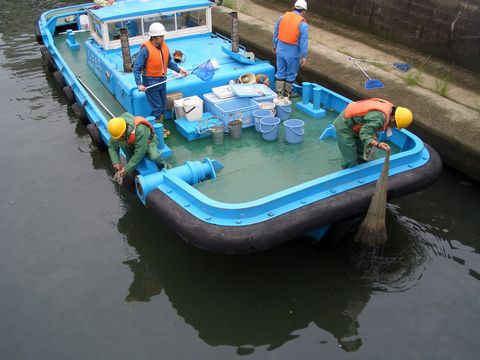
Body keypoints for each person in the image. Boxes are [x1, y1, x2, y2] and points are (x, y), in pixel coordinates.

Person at [333, 98, 413, 169]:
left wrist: (372, 135)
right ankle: (348, 177)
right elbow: (364, 133)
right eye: (395, 125)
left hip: (358, 123)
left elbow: (368, 124)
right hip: (345, 125)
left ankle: (361, 167)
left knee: (362, 152)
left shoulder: (391, 109)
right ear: (392, 118)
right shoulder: (378, 119)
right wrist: (378, 144)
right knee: (351, 160)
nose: (393, 127)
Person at [133, 22, 188, 124]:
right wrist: (139, 84)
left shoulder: (164, 46)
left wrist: (179, 70)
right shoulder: (145, 50)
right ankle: (152, 128)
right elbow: (136, 67)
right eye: (161, 36)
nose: (163, 38)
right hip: (151, 82)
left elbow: (168, 62)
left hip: (162, 80)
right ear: (154, 38)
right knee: (157, 108)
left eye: (163, 36)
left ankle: (160, 127)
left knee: (162, 106)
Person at [272, 0, 308, 98]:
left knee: (280, 71)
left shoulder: (282, 18)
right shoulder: (303, 25)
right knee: (291, 73)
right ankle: (287, 93)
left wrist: (275, 45)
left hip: (280, 50)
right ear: (304, 12)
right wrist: (304, 56)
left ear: (293, 8)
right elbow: (303, 43)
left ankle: (279, 93)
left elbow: (276, 33)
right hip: (293, 54)